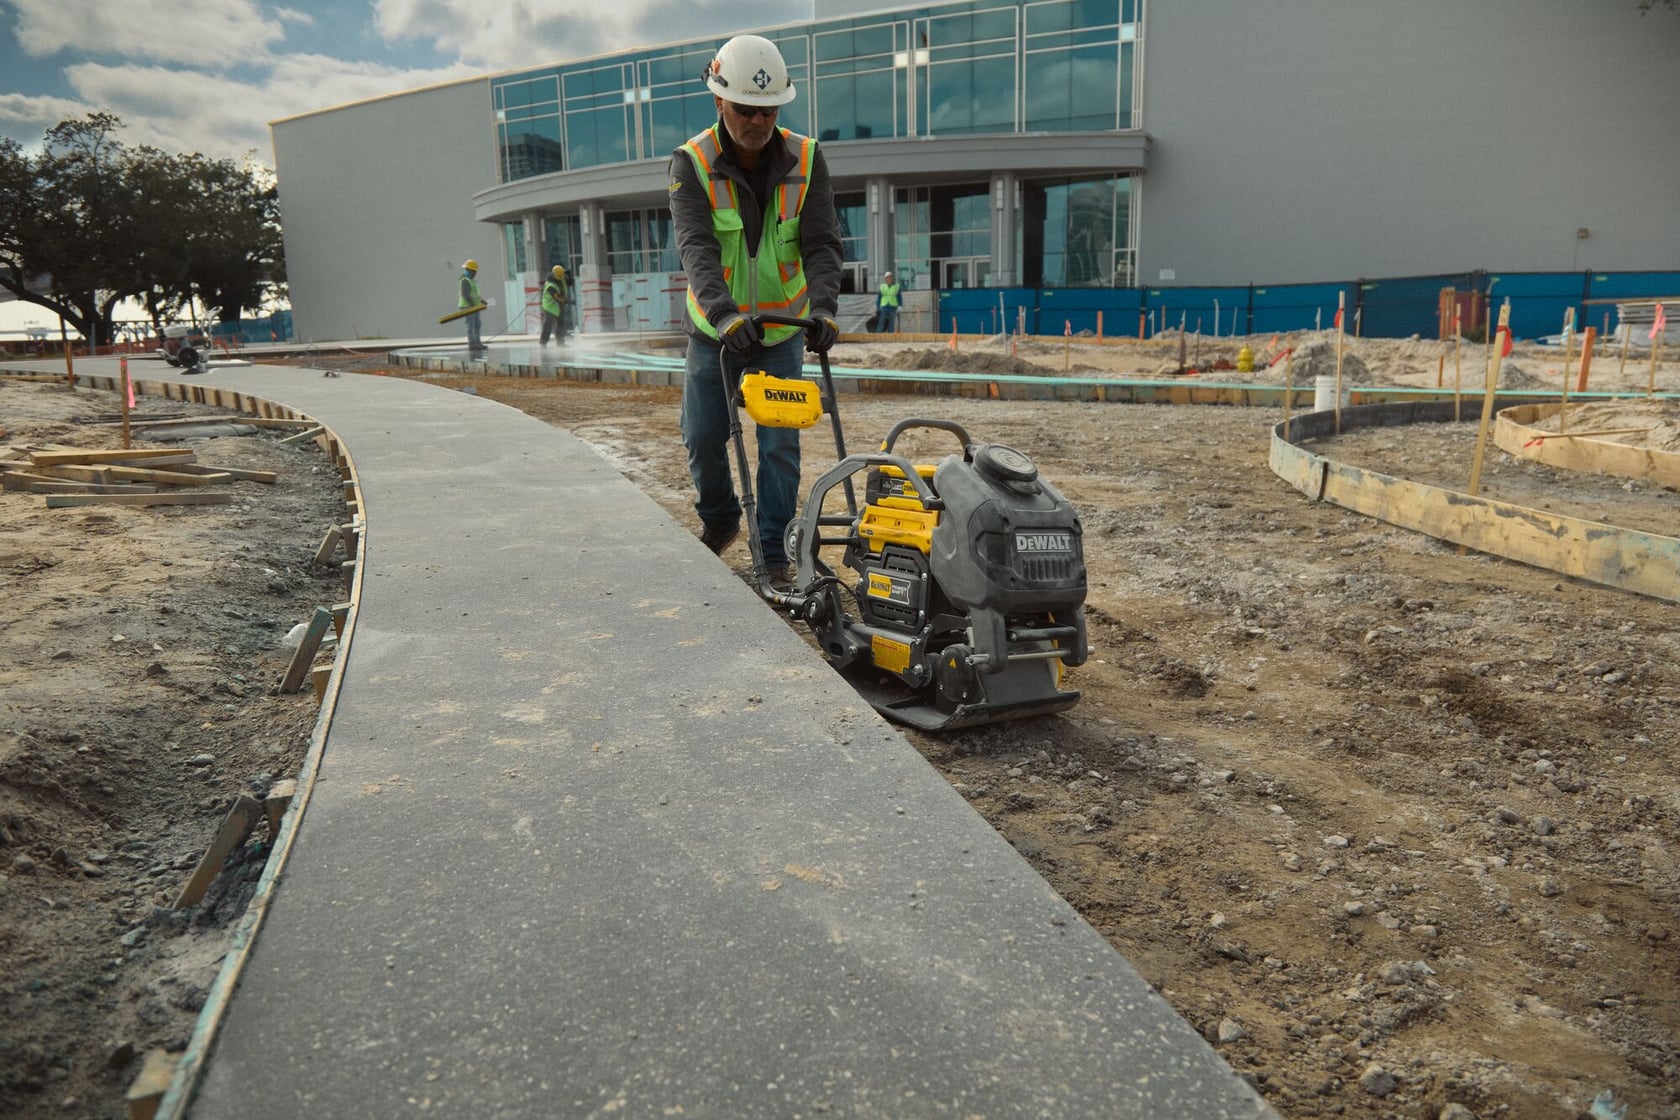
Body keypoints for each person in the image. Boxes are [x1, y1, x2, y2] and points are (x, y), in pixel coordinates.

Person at [669, 33, 843, 582]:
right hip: (714, 333)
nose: (757, 122)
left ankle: (773, 549)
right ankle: (720, 521)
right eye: (745, 109)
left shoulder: (808, 158)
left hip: (781, 332)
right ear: (719, 100)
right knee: (703, 438)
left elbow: (820, 243)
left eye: (768, 111)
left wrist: (826, 310)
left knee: (780, 446)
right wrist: (723, 315)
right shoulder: (690, 163)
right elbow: (696, 246)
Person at [540, 264, 572, 346]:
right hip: (550, 306)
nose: (561, 278)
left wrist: (569, 276)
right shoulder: (550, 286)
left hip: (559, 305)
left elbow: (568, 283)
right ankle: (543, 341)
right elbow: (558, 298)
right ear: (554, 274)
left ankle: (560, 342)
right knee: (548, 324)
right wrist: (568, 301)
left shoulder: (561, 277)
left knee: (561, 323)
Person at [459, 259, 485, 352]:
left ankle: (477, 343)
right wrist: (472, 304)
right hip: (468, 307)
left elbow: (475, 294)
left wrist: (481, 301)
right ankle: (472, 344)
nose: (475, 273)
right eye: (474, 271)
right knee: (471, 325)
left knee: (477, 324)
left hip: (474, 306)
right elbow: (465, 294)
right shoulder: (464, 280)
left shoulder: (472, 281)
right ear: (469, 270)